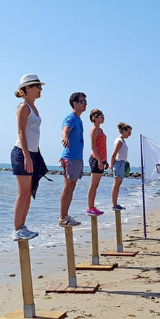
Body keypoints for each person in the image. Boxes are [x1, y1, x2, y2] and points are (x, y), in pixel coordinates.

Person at [11, 74, 47, 240]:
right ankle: (17, 229)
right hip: (22, 152)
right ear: (27, 89)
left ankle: (23, 226)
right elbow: (21, 132)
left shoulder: (34, 108)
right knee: (23, 193)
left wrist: (35, 154)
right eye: (37, 86)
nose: (40, 89)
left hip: (32, 152)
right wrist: (26, 156)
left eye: (40, 86)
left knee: (28, 193)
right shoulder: (23, 107)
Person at [58, 92, 87, 227]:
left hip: (77, 157)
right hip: (70, 157)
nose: (85, 103)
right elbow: (65, 129)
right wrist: (65, 136)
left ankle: (65, 215)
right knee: (68, 187)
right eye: (82, 101)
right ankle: (62, 217)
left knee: (72, 187)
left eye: (85, 101)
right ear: (74, 103)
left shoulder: (78, 119)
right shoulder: (71, 117)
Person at [86, 108, 108, 216]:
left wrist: (105, 161)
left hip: (101, 159)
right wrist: (99, 160)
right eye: (101, 116)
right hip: (95, 159)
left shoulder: (100, 130)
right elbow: (93, 147)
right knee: (93, 184)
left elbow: (102, 146)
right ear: (95, 118)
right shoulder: (94, 129)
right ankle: (90, 207)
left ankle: (92, 206)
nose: (103, 118)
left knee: (96, 185)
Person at [110, 122, 132, 210]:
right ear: (123, 131)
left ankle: (115, 204)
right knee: (116, 184)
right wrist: (111, 166)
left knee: (118, 184)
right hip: (118, 163)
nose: (130, 134)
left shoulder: (122, 141)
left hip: (121, 163)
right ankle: (114, 205)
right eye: (129, 132)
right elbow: (114, 154)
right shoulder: (119, 141)